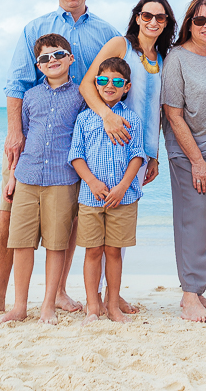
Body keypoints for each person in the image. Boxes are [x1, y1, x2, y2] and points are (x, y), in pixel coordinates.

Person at [0, 0, 121, 322]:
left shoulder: (107, 32)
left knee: (65, 220)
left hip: (83, 141)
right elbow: (16, 83)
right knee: (8, 215)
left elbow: (118, 82)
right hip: (32, 138)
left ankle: (61, 293)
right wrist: (14, 133)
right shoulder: (34, 28)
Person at [79, 0, 175, 312]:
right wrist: (107, 116)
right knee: (101, 232)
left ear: (167, 23)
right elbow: (87, 84)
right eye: (146, 15)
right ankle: (105, 297)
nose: (152, 22)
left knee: (122, 220)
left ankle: (112, 295)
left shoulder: (163, 57)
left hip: (138, 150)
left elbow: (155, 110)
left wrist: (154, 155)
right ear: (137, 17)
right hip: (106, 143)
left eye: (160, 18)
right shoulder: (120, 45)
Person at [0, 34, 84, 326]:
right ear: (38, 66)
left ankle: (48, 305)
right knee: (21, 243)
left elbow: (81, 139)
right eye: (44, 58)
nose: (52, 61)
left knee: (57, 244)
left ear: (70, 58)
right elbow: (24, 137)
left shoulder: (82, 95)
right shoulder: (30, 96)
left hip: (62, 179)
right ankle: (19, 306)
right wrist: (13, 178)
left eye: (58, 55)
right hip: (27, 177)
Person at [162, 0, 206, 324]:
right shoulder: (176, 58)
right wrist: (197, 160)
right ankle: (189, 297)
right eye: (200, 20)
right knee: (194, 219)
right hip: (187, 151)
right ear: (189, 23)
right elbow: (173, 114)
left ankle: (198, 288)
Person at [68, 57, 145, 323]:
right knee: (92, 251)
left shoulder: (131, 118)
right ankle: (92, 307)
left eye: (116, 81)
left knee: (114, 252)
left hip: (123, 199)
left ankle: (112, 306)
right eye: (102, 80)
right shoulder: (85, 119)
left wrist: (124, 186)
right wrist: (91, 181)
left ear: (127, 87)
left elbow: (137, 155)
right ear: (96, 85)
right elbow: (76, 155)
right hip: (91, 197)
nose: (108, 85)